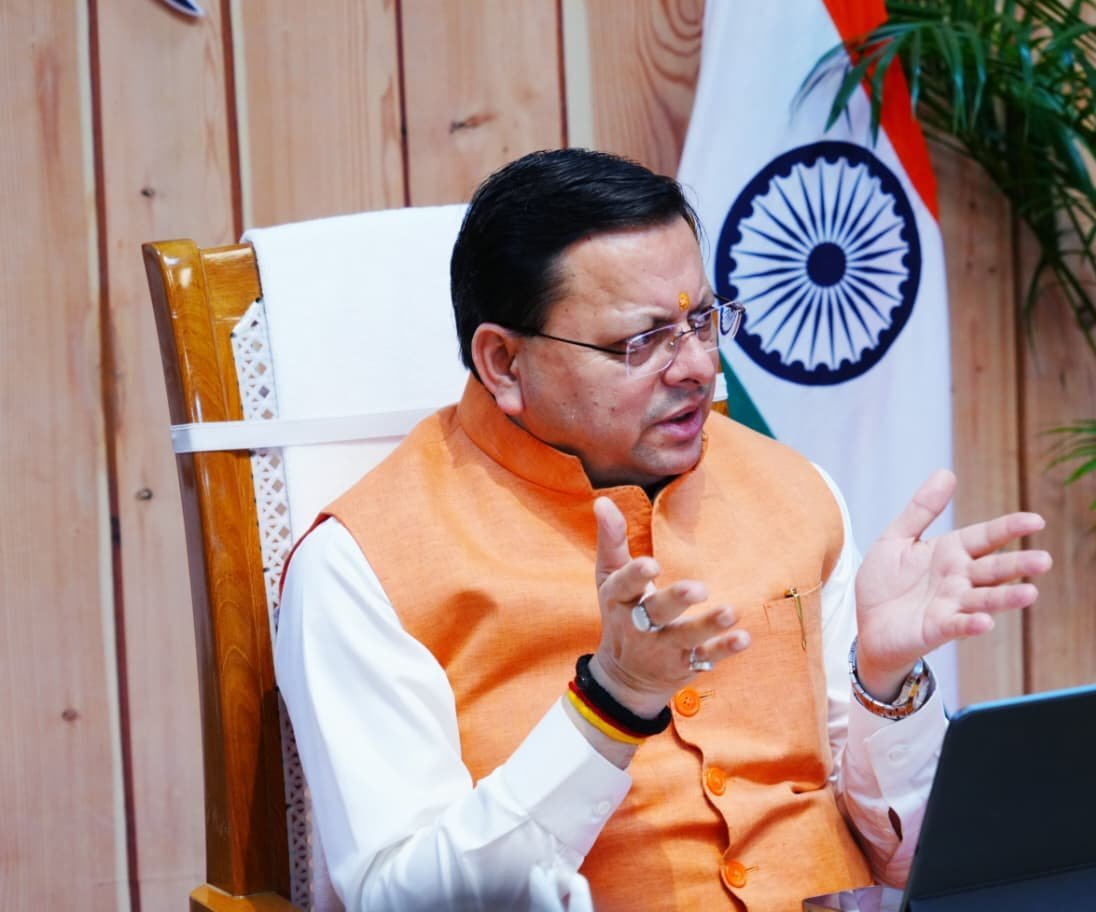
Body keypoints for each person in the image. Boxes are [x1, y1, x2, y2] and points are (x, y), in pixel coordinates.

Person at [275, 148, 1052, 911]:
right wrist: (610, 704)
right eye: (641, 342)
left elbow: (904, 861)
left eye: (703, 321)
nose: (699, 369)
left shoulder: (793, 491)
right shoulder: (361, 564)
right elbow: (410, 899)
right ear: (504, 363)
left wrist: (884, 683)